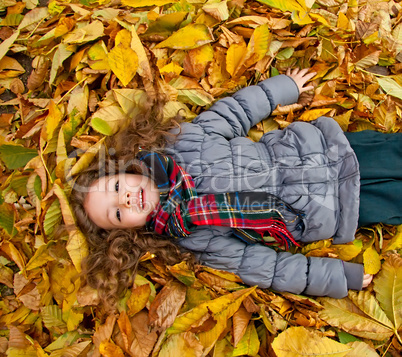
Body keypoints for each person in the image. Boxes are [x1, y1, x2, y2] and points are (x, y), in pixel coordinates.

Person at [71, 68, 401, 310]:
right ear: (127, 233)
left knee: (394, 154)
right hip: (335, 208)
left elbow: (234, 112)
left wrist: (283, 88)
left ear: (123, 168)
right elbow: (265, 268)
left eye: (116, 186)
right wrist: (338, 276)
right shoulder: (192, 237)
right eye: (116, 212)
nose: (125, 198)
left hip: (325, 150)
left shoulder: (182, 143)